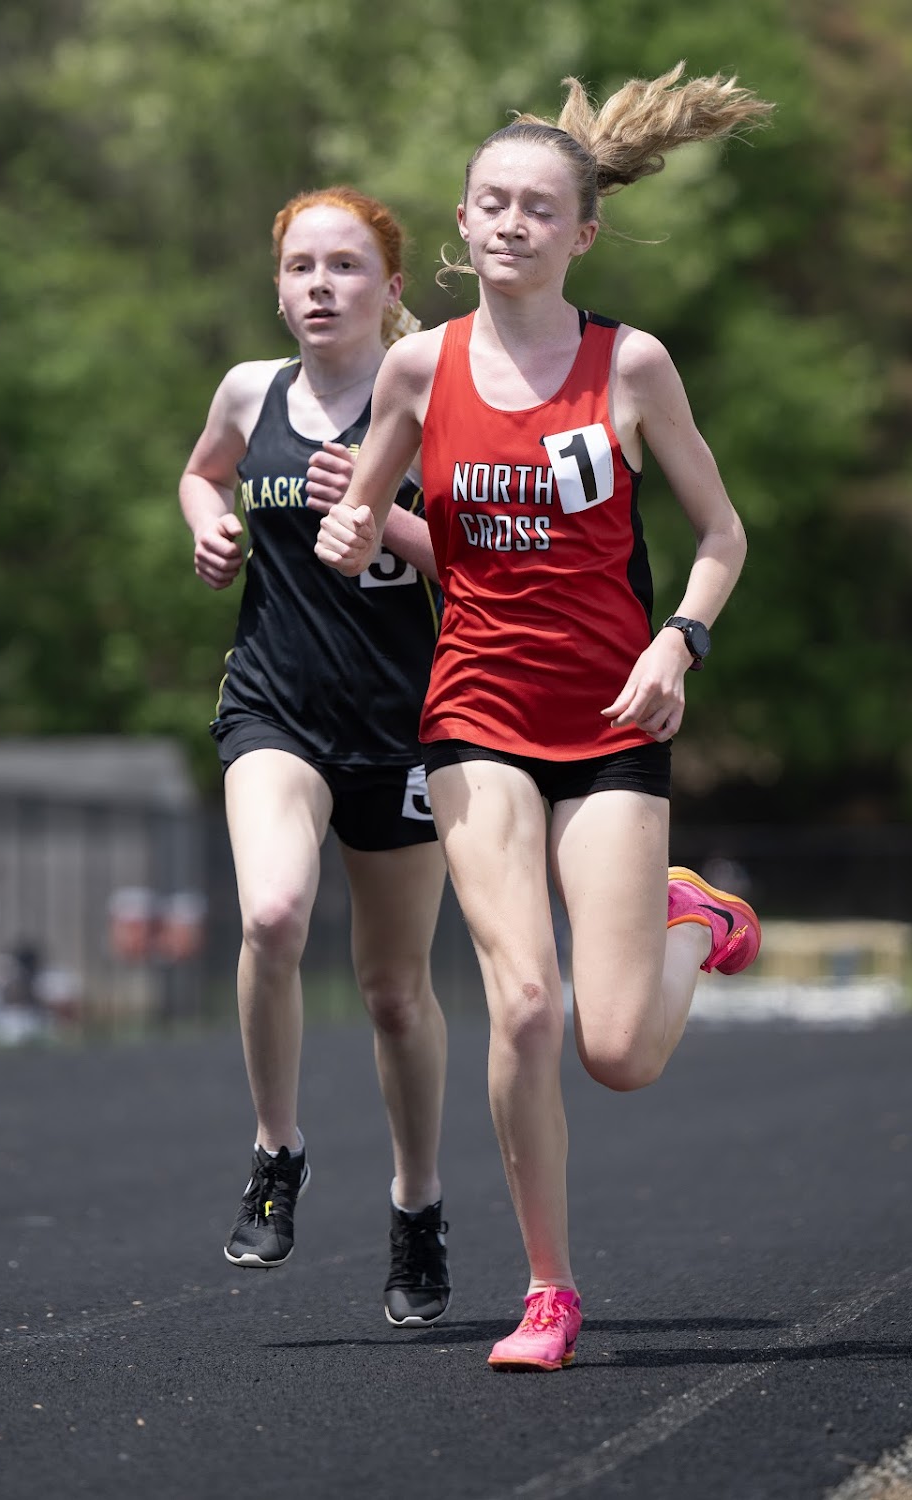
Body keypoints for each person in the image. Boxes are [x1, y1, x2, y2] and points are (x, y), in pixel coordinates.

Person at [315, 65, 772, 1370]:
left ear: (582, 232)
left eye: (538, 207)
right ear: (462, 225)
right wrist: (352, 531)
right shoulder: (417, 368)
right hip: (475, 714)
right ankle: (548, 1293)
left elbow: (724, 536)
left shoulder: (631, 364)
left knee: (616, 1051)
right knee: (522, 1004)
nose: (511, 223)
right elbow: (382, 526)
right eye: (491, 203)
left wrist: (680, 639)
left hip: (613, 716)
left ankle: (696, 919)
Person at [179, 185, 452, 1328]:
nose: (321, 287)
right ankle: (276, 1150)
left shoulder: (436, 398)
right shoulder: (252, 392)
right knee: (273, 914)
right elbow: (203, 468)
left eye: (345, 267)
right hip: (276, 707)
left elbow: (489, 566)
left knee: (393, 993)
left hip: (403, 726)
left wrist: (385, 518)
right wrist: (206, 521)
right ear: (278, 286)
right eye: (301, 267)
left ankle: (416, 1207)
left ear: (391, 289)